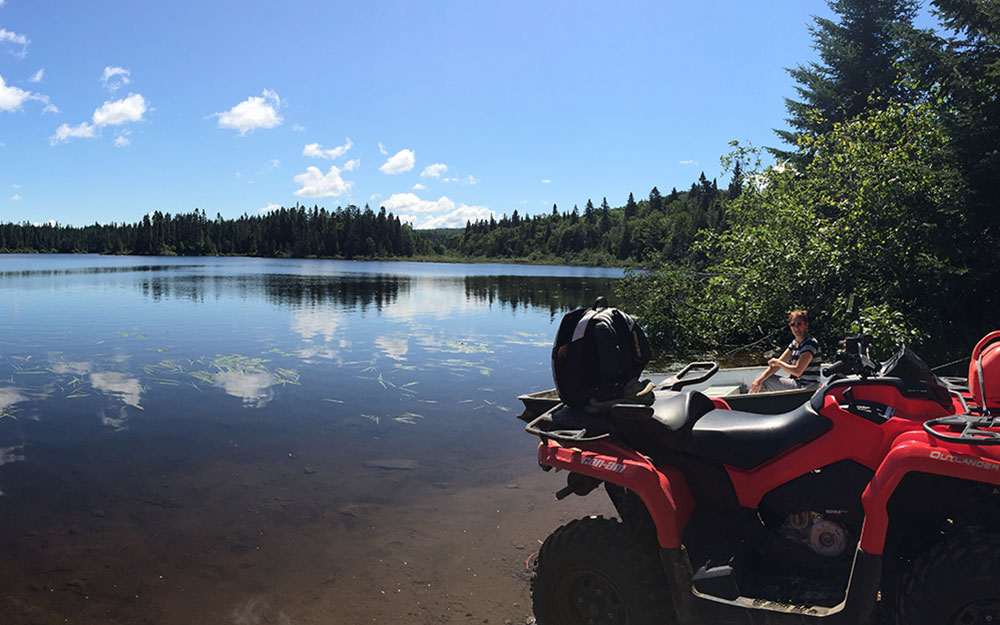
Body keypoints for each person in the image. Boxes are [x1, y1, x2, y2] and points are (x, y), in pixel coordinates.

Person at [749, 310, 821, 393]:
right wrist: (758, 380)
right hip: (797, 384)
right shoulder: (794, 343)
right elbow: (775, 366)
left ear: (806, 325)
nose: (796, 328)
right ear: (790, 327)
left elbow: (797, 371)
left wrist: (778, 363)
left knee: (765, 381)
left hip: (807, 388)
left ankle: (749, 404)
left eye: (800, 324)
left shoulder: (810, 343)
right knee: (761, 377)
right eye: (793, 325)